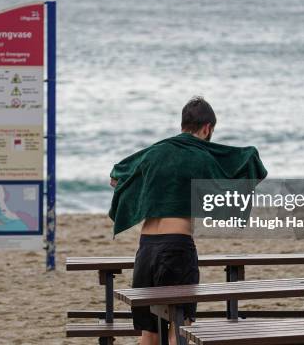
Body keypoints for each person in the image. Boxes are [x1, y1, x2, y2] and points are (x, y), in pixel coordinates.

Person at [109, 96, 267, 345]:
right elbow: (246, 164)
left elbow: (116, 176)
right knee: (178, 328)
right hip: (177, 248)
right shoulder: (203, 157)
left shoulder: (153, 152)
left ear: (183, 124)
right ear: (207, 128)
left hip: (146, 248)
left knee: (149, 332)